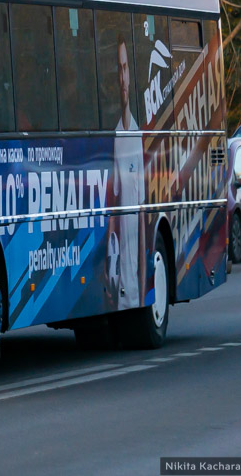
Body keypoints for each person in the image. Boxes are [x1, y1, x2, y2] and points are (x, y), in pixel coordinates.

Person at [107, 36, 145, 312]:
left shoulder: (136, 134)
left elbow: (141, 215)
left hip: (135, 285)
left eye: (125, 68)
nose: (122, 77)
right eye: (117, 70)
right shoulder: (115, 133)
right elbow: (113, 208)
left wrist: (144, 288)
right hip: (118, 280)